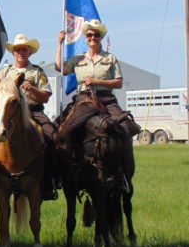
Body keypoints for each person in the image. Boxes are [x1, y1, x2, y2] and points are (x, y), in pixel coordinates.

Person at [55, 20, 140, 189]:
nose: (92, 37)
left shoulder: (110, 58)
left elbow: (118, 82)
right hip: (84, 100)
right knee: (61, 131)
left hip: (106, 99)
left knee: (124, 128)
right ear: (86, 38)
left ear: (101, 37)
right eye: (89, 35)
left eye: (96, 35)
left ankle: (123, 175)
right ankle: (63, 173)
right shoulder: (78, 58)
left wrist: (97, 81)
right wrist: (60, 44)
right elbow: (60, 68)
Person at [0, 33, 59, 200]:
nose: (21, 52)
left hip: (33, 111)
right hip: (7, 112)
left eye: (24, 49)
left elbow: (45, 97)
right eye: (18, 50)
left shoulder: (37, 71)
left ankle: (50, 180)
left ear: (30, 52)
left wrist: (32, 89)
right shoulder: (5, 72)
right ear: (13, 53)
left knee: (52, 136)